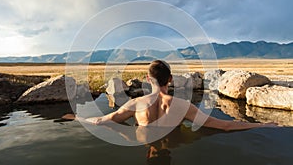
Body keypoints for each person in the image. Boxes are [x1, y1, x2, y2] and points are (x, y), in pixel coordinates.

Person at [85, 60, 277, 131]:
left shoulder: (135, 104)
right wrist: (262, 124)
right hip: (173, 141)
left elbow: (104, 120)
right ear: (170, 79)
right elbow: (225, 125)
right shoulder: (182, 106)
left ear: (147, 79)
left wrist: (77, 117)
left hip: (145, 140)